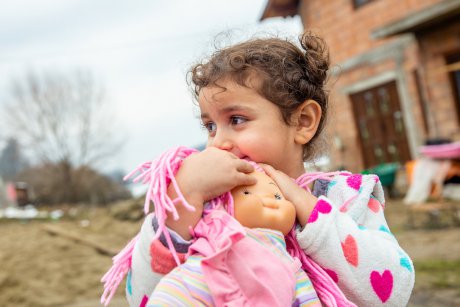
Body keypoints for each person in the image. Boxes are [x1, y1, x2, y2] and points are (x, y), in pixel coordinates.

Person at [102, 31, 415, 307]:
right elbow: (142, 297)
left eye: (236, 120)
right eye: (210, 126)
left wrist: (306, 207)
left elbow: (391, 293)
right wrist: (181, 203)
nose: (218, 143)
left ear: (303, 122)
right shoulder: (207, 209)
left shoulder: (345, 198)